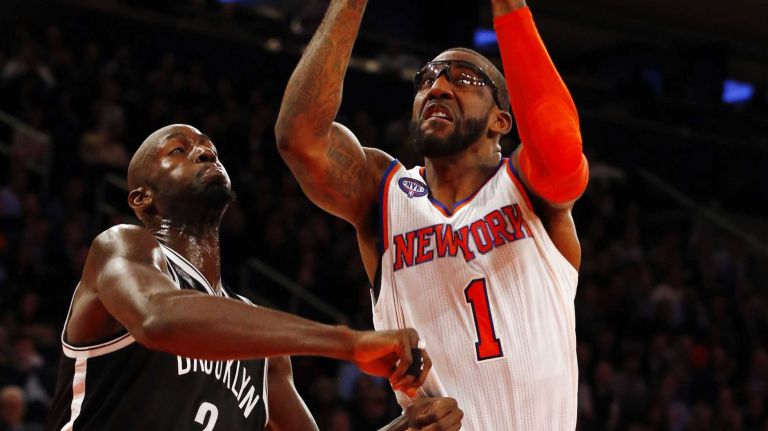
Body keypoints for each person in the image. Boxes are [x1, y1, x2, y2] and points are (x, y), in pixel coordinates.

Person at [275, 0, 589, 428]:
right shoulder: (382, 192)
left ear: (501, 120)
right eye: (426, 79)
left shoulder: (528, 187)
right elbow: (299, 138)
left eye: (464, 78)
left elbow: (559, 145)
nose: (438, 86)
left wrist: (510, 7)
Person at [44, 124, 464, 431]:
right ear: (141, 198)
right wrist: (349, 343)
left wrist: (407, 428)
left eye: (210, 149)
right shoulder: (123, 247)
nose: (205, 152)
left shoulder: (263, 354)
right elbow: (159, 318)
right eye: (178, 150)